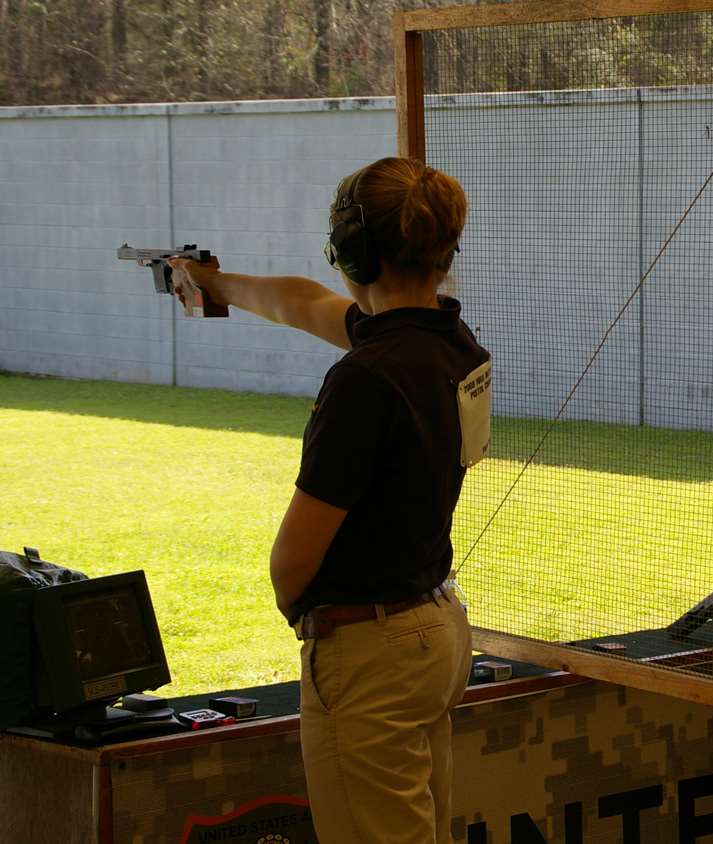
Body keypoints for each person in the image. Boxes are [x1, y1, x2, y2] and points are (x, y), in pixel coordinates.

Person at [168, 156, 490, 844]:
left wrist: (308, 623)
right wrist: (212, 283)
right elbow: (303, 303)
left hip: (371, 651)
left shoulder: (364, 379)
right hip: (435, 627)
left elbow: (294, 559)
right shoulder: (452, 343)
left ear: (351, 252)